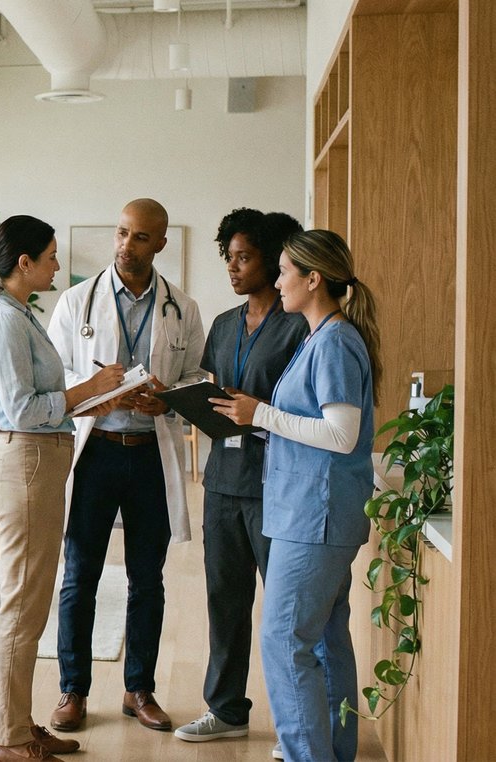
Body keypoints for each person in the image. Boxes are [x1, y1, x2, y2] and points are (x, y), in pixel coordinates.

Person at [0, 215, 126, 762]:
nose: (58, 264)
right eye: (51, 256)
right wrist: (89, 387)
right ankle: (6, 738)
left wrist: (95, 399)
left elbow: (42, 404)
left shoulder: (18, 314)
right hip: (26, 463)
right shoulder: (4, 320)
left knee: (29, 605)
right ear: (24, 263)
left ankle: (15, 722)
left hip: (39, 461)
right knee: (23, 607)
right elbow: (22, 409)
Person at [211, 229, 380, 762]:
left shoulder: (332, 341)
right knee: (324, 642)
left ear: (313, 279)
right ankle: (330, 751)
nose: (277, 282)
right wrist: (254, 417)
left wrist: (259, 414)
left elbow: (340, 434)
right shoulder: (321, 336)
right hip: (307, 512)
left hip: (315, 518)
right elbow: (309, 424)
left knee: (285, 643)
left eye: (284, 272)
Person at [48, 198, 205, 733]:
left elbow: (197, 379)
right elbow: (55, 376)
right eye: (121, 233)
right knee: (79, 577)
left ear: (160, 243)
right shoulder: (76, 301)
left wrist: (167, 399)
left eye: (140, 237)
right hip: (94, 454)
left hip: (148, 459)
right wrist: (97, 392)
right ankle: (73, 691)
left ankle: (139, 689)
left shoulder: (182, 307)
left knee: (148, 579)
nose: (126, 245)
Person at [174, 209, 308, 745]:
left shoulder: (300, 323)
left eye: (244, 257)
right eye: (227, 257)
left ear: (273, 260)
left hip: (278, 484)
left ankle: (297, 726)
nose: (232, 267)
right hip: (223, 481)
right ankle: (226, 710)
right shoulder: (225, 325)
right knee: (225, 603)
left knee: (284, 615)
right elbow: (216, 394)